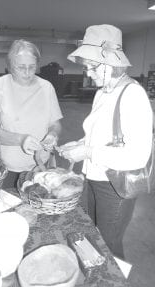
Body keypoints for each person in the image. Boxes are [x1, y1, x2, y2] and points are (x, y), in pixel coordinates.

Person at [59, 24, 153, 259]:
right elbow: (99, 135)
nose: (88, 73)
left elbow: (138, 155)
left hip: (115, 184)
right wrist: (80, 144)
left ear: (111, 63)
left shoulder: (133, 95)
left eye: (92, 67)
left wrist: (87, 152)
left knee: (108, 243)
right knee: (95, 235)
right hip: (94, 177)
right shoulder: (103, 92)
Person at [0, 39, 63, 188]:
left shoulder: (46, 88)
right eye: (21, 67)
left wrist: (52, 134)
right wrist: (21, 139)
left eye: (32, 67)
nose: (27, 73)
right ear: (10, 66)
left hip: (40, 166)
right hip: (8, 168)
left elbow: (55, 123)